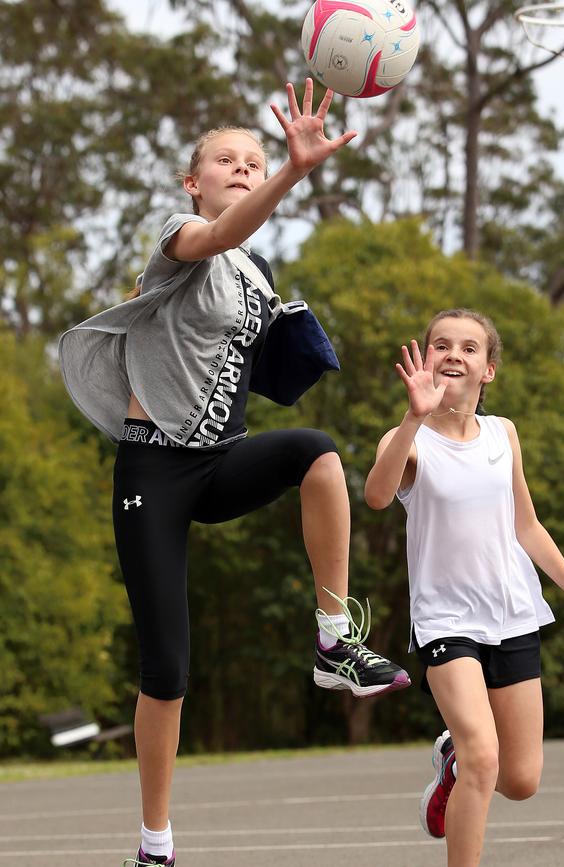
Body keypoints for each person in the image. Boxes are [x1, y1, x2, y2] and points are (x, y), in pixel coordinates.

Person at [59, 79, 409, 867]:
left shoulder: (253, 272)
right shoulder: (180, 231)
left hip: (219, 459)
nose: (245, 166)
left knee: (316, 450)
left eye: (255, 159)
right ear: (195, 180)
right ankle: (155, 846)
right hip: (155, 466)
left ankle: (332, 642)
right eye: (228, 159)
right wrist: (292, 170)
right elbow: (218, 236)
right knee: (168, 670)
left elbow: (249, 346)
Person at [364, 308, 564, 867]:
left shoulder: (503, 434)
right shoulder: (409, 439)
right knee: (486, 757)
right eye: (442, 345)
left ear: (489, 370)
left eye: (469, 348)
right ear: (426, 360)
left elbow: (524, 524)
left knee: (521, 779)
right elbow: (377, 496)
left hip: (512, 612)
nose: (454, 354)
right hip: (445, 621)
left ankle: (451, 760)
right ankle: (467, 766)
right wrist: (412, 417)